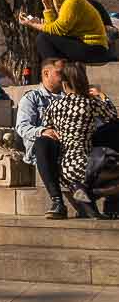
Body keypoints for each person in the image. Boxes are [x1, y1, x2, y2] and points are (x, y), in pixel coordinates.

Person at [42, 62, 119, 218]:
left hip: (63, 167)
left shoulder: (54, 105)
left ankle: (86, 200)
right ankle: (88, 193)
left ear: (64, 84)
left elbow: (47, 127)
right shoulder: (90, 103)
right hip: (85, 164)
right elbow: (112, 116)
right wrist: (102, 96)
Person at [20, 0, 113, 65]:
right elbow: (54, 30)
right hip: (87, 46)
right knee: (45, 38)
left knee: (43, 38)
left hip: (95, 49)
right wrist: (48, 8)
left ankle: (57, 72)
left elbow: (57, 29)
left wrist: (33, 23)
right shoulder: (68, 1)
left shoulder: (73, 0)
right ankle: (60, 71)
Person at [14, 57, 68, 218]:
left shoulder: (69, 95)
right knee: (42, 142)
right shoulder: (32, 98)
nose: (64, 77)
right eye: (60, 73)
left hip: (69, 143)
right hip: (44, 146)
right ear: (46, 73)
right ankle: (57, 201)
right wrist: (43, 131)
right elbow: (22, 127)